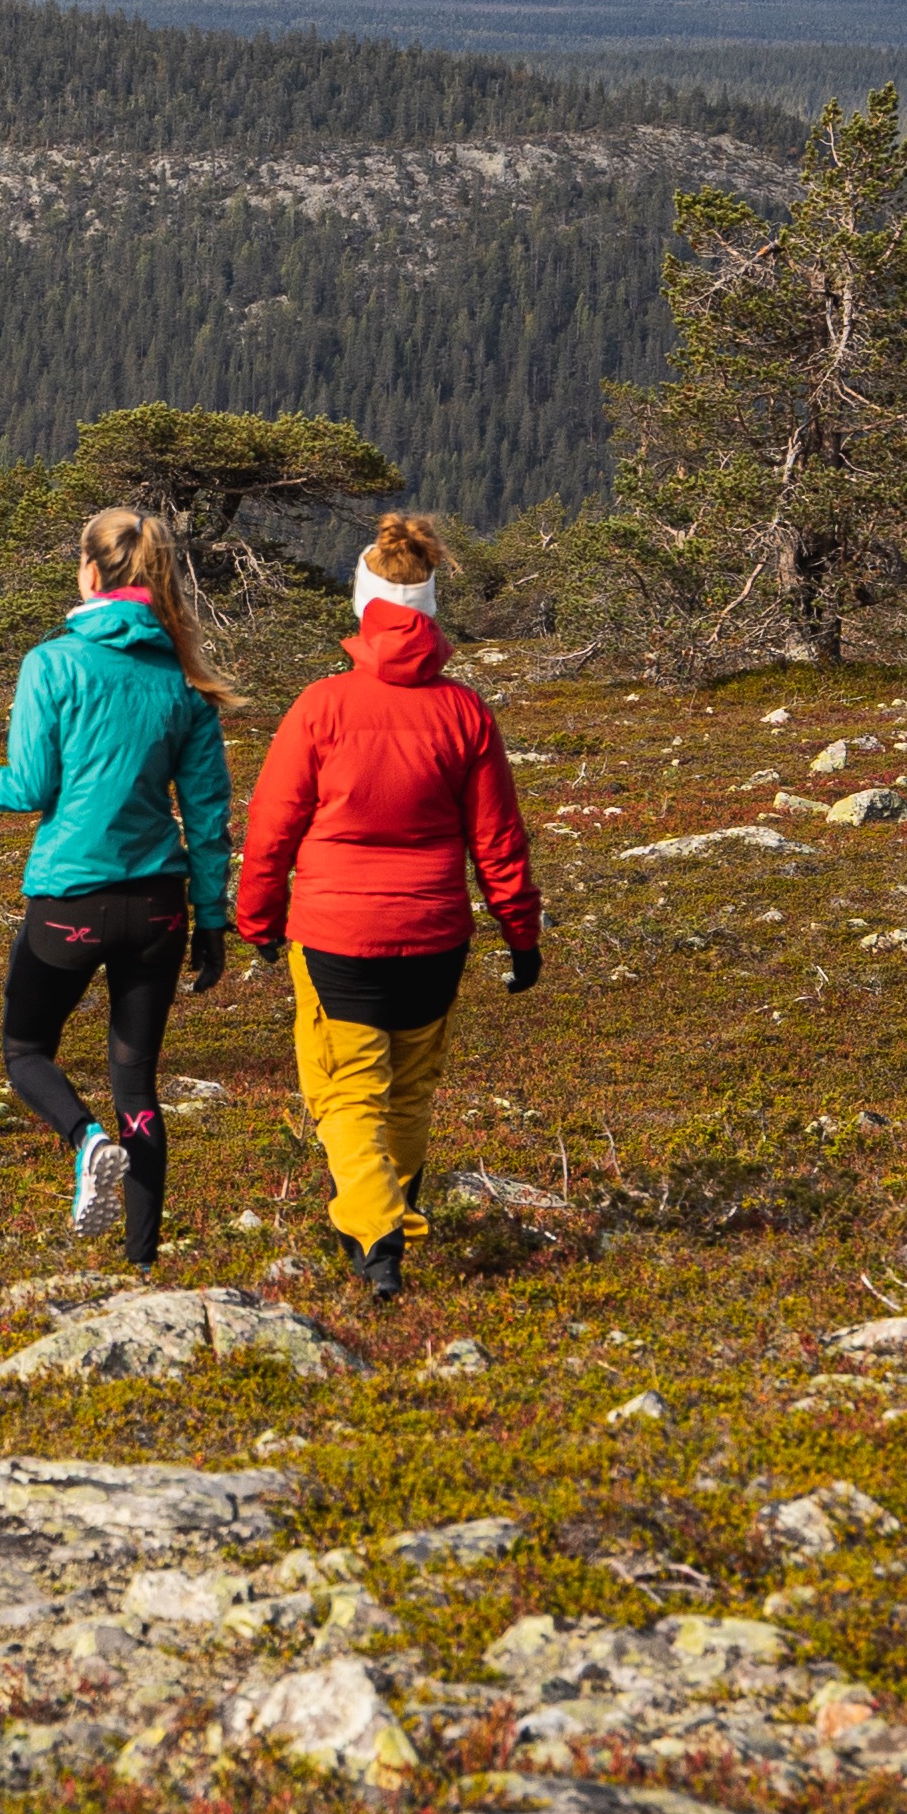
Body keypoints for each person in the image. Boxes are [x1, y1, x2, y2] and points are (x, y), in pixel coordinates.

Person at [227, 512, 540, 1299]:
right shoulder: (465, 712)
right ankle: (383, 1219)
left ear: (362, 604)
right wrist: (521, 932)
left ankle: (377, 1240)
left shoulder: (321, 707)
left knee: (345, 1094)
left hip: (336, 937)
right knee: (409, 1091)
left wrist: (257, 921)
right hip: (435, 935)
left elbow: (272, 828)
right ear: (430, 609)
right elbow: (498, 838)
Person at [0, 506, 237, 1270]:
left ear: (89, 575)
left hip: (70, 901)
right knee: (137, 1080)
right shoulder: (183, 682)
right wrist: (214, 922)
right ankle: (142, 1261)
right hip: (160, 907)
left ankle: (84, 1139)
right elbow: (208, 817)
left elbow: (29, 786)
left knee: (26, 1047)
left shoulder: (53, 663)